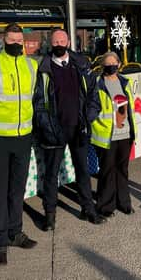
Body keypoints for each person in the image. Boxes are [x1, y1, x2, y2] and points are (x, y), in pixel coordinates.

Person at [0, 23, 38, 266]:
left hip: (24, 137)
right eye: (11, 39)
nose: (15, 43)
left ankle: (15, 232)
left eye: (18, 39)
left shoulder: (31, 65)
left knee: (17, 191)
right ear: (4, 40)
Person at [33, 29, 104, 230]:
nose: (59, 44)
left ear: (69, 42)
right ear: (50, 43)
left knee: (83, 170)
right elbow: (38, 103)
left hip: (78, 127)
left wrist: (88, 119)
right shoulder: (43, 69)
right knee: (51, 174)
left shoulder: (81, 65)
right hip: (54, 131)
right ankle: (49, 216)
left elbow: (93, 96)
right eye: (55, 41)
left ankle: (88, 209)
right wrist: (47, 126)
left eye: (62, 40)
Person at [90, 51, 138, 218]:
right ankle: (105, 206)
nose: (111, 66)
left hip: (125, 134)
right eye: (107, 64)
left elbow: (129, 106)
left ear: (118, 64)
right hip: (106, 135)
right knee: (107, 171)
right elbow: (92, 109)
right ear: (103, 66)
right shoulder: (97, 83)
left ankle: (124, 203)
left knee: (122, 170)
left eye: (113, 63)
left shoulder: (125, 82)